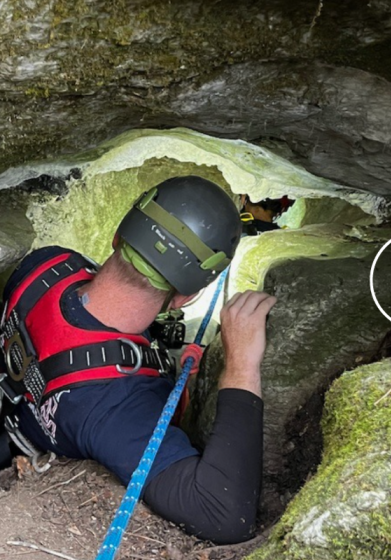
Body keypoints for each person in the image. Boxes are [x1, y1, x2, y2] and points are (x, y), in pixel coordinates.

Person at [0, 176, 276, 543]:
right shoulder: (118, 408)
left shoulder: (49, 263)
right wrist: (241, 365)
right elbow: (221, 514)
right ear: (185, 297)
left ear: (118, 236)